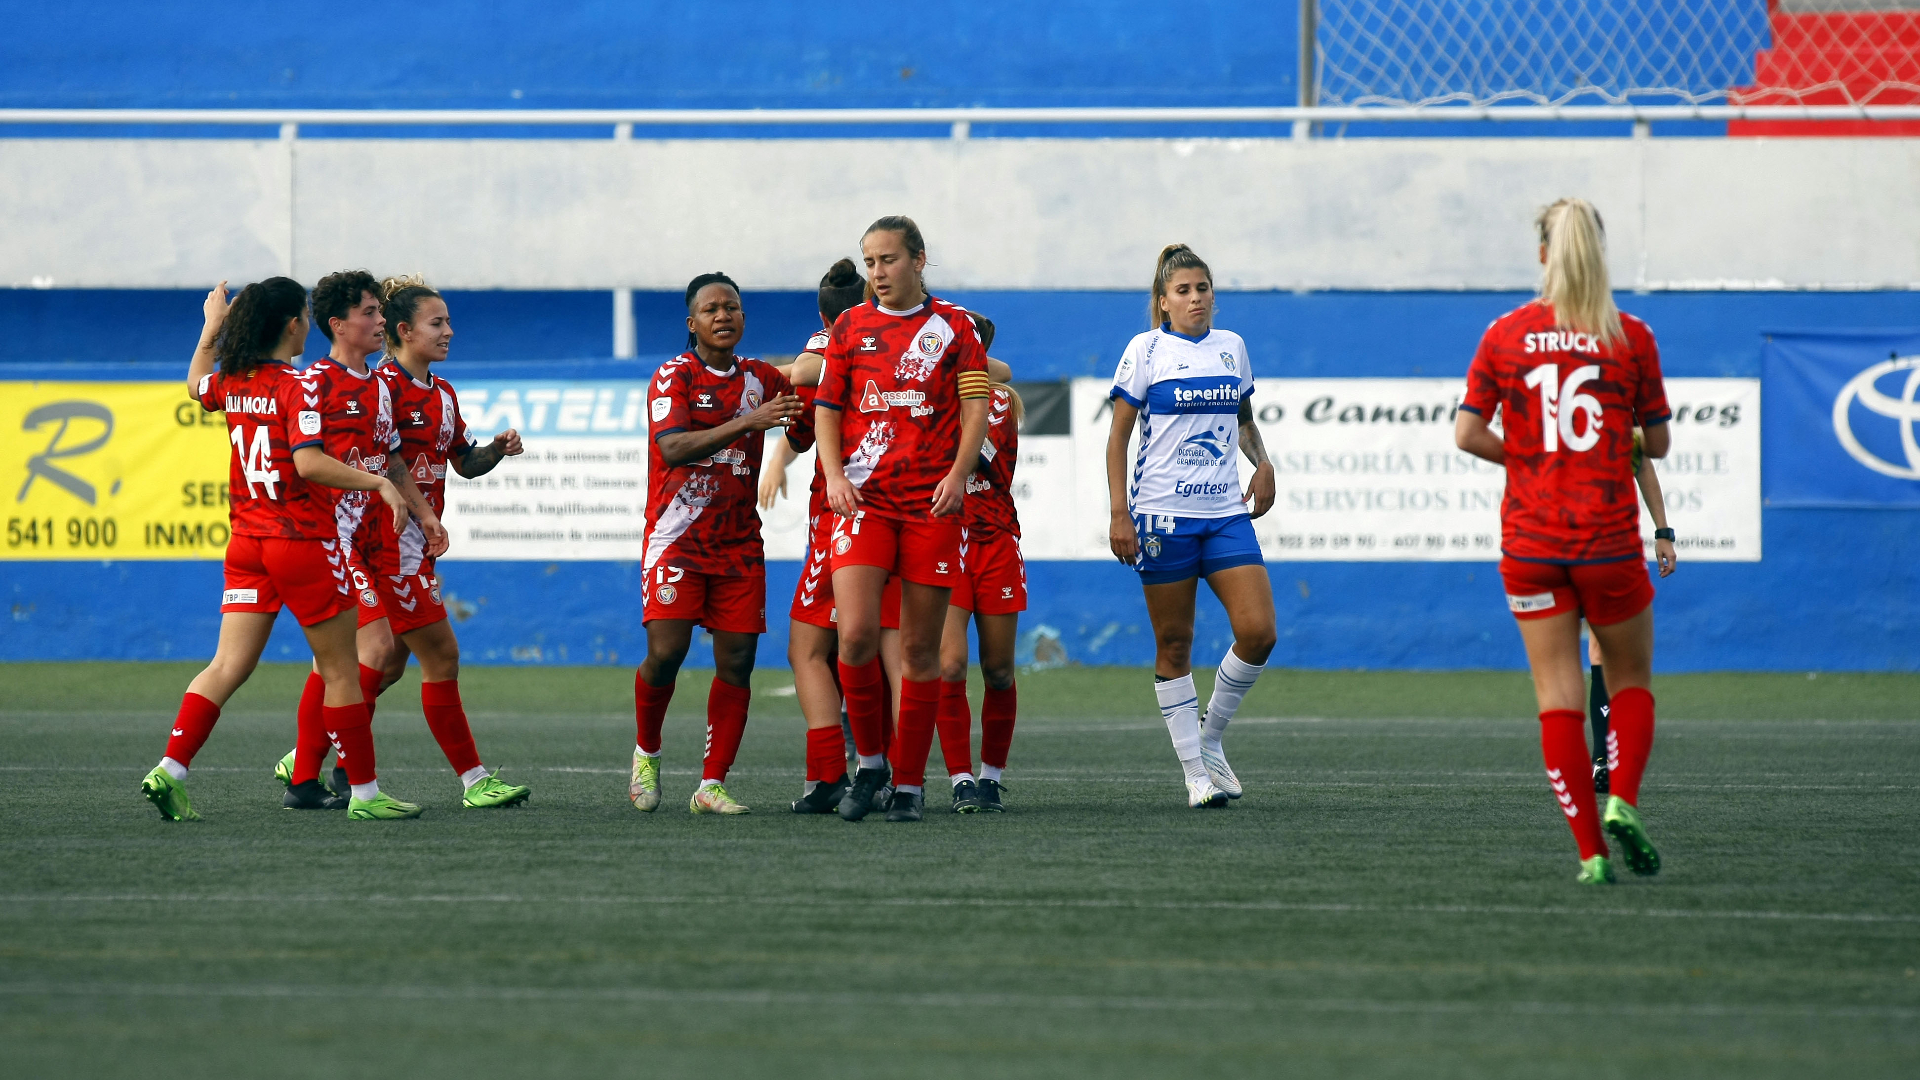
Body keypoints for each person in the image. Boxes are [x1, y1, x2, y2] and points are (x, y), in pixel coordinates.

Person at [141, 278, 420, 821]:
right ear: (293, 325)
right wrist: (380, 484)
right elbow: (309, 462)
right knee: (340, 671)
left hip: (247, 543)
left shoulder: (234, 380)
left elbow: (196, 384)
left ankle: (171, 768)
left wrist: (209, 329)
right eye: (303, 316)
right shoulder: (299, 385)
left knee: (226, 665)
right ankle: (365, 795)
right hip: (301, 543)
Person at [1454, 197, 1671, 886]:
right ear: (1598, 253)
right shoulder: (1629, 335)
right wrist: (1610, 445)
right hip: (1606, 542)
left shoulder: (1506, 333)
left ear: (1544, 253)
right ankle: (1624, 803)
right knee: (1631, 679)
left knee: (1557, 694)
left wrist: (1529, 456)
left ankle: (1589, 855)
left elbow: (1466, 432)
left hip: (1531, 543)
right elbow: (1657, 441)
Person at [815, 215, 992, 823]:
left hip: (930, 508)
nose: (877, 272)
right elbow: (828, 408)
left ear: (918, 260)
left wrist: (959, 475)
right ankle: (870, 764)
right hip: (863, 504)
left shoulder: (955, 327)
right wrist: (835, 475)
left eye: (887, 260)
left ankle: (911, 786)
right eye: (869, 262)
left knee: (921, 652)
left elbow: (977, 407)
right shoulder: (850, 326)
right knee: (856, 635)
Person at [1105, 244, 1278, 810]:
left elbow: (1244, 420)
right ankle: (1193, 775)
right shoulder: (1146, 350)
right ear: (1163, 303)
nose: (1195, 298)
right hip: (1162, 516)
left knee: (1259, 632)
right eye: (1183, 291)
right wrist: (1118, 512)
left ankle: (1208, 740)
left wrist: (1265, 463)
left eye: (1202, 288)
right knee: (1174, 643)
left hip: (1226, 513)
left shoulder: (1233, 349)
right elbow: (1118, 438)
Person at [629, 272, 804, 815]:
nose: (723, 316)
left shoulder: (761, 377)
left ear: (743, 318)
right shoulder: (673, 376)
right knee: (667, 652)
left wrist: (795, 431)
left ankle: (711, 784)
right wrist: (751, 421)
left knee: (738, 662)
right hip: (678, 538)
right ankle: (646, 752)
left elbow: (808, 398)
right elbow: (675, 447)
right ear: (693, 323)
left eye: (732, 307)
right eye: (711, 309)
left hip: (738, 544)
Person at [361, 275, 533, 808]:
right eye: (438, 323)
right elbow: (388, 461)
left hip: (413, 542)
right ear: (405, 331)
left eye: (449, 322)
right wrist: (426, 517)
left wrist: (497, 450)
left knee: (387, 661)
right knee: (442, 657)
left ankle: (310, 752)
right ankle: (475, 781)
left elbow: (463, 461)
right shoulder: (381, 388)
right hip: (389, 540)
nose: (449, 332)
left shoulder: (444, 394)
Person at [762, 258, 876, 814]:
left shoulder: (829, 345)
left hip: (844, 510)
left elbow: (804, 419)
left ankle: (831, 773)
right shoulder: (917, 333)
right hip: (912, 505)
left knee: (810, 647)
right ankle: (902, 778)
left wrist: (758, 373)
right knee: (889, 647)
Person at [932, 312, 1025, 813]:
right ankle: (960, 779)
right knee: (949, 666)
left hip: (993, 541)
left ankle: (992, 775)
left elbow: (980, 455)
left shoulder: (1000, 401)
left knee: (999, 670)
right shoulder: (926, 393)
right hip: (946, 540)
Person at [1588, 429, 1679, 793]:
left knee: (1575, 659)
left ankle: (1600, 761)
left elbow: (1642, 463)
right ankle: (1609, 762)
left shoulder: (1548, 397)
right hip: (1601, 544)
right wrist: (1663, 531)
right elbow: (1645, 458)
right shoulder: (1617, 400)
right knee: (1611, 653)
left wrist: (1663, 531)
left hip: (1560, 542)